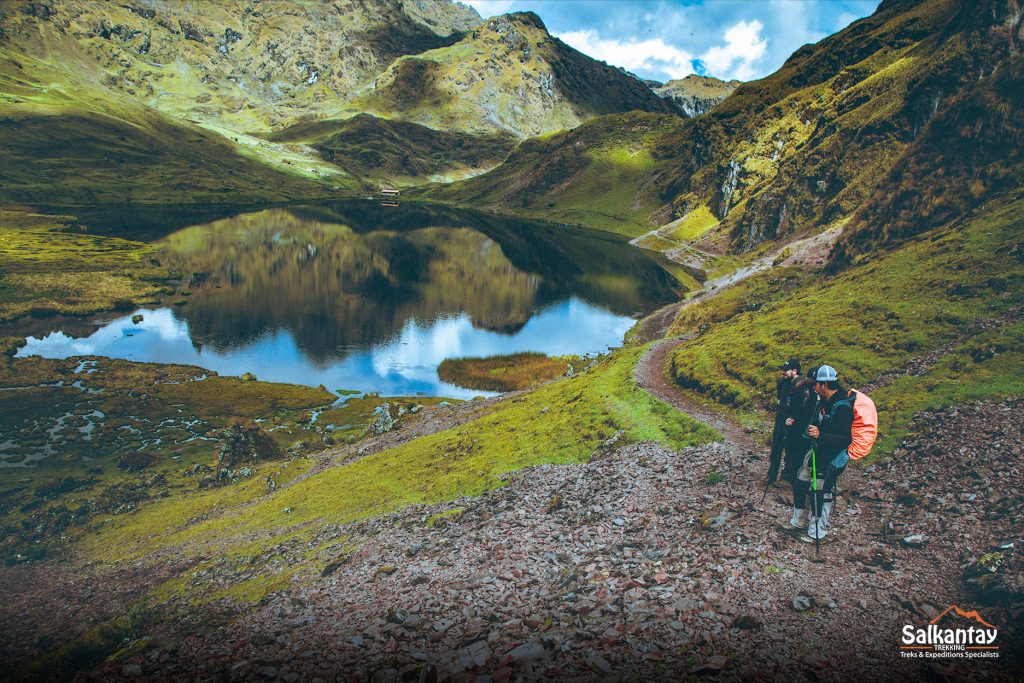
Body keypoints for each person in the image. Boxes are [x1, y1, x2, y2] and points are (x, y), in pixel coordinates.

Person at [800, 365, 855, 544]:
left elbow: (845, 438)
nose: (813, 387)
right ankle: (803, 522)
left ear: (824, 384)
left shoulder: (842, 407)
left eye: (815, 384)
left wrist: (820, 434)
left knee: (820, 491)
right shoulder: (825, 402)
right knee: (805, 482)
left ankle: (818, 532)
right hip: (819, 451)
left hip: (832, 457)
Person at [778, 367, 820, 534]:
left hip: (807, 441)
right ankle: (802, 520)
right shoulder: (810, 396)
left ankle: (811, 524)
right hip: (804, 439)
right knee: (804, 479)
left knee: (809, 481)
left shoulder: (814, 398)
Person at [766, 359, 800, 485]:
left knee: (790, 450)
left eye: (786, 370)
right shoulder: (782, 383)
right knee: (775, 448)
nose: (783, 372)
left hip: (792, 423)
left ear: (794, 371)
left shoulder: (800, 386)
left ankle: (786, 476)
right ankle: (772, 473)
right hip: (780, 420)